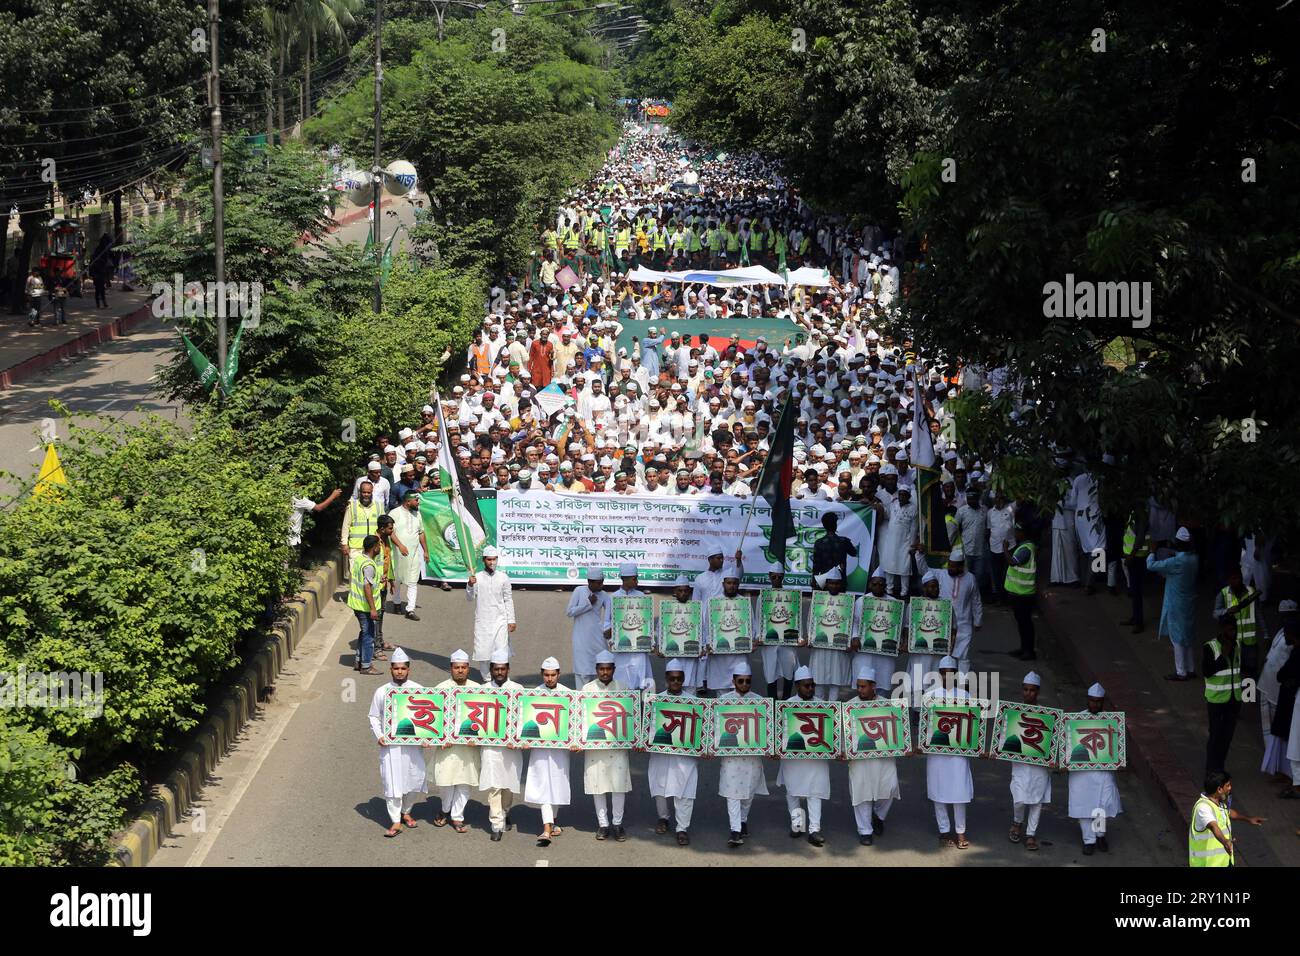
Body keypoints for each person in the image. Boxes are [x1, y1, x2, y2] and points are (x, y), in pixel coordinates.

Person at [368, 648, 427, 837]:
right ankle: (395, 821)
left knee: (414, 778)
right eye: (396, 668)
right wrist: (380, 736)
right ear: (391, 670)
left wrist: (427, 738)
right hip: (391, 747)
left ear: (408, 670)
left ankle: (406, 812)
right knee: (392, 783)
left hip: (413, 746)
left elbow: (428, 718)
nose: (399, 672)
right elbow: (373, 716)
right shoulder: (382, 692)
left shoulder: (419, 690)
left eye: (403, 668)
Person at [845, 666, 900, 846]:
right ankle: (865, 830)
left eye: (863, 686)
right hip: (859, 759)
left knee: (890, 787)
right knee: (861, 791)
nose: (860, 690)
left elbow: (897, 730)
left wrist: (904, 746)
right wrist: (842, 750)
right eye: (858, 686)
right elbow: (843, 733)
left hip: (883, 758)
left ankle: (878, 815)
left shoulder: (886, 704)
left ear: (873, 686)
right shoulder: (850, 706)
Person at [717, 660, 769, 847]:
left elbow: (767, 731)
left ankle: (743, 820)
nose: (745, 685)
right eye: (741, 681)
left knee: (748, 793)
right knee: (733, 792)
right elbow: (714, 729)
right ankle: (735, 831)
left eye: (748, 681)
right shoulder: (723, 702)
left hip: (752, 759)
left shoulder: (760, 702)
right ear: (733, 681)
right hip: (731, 759)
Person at [925, 656, 975, 848]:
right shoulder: (930, 695)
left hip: (958, 753)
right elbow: (925, 725)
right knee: (938, 791)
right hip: (937, 753)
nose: (947, 677)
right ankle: (944, 830)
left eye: (951, 674)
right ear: (939, 674)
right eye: (944, 674)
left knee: (959, 791)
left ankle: (961, 832)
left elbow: (972, 725)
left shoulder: (965, 696)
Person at [648, 660, 700, 846]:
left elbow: (702, 732)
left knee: (685, 791)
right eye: (672, 679)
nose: (676, 682)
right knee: (659, 787)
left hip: (685, 758)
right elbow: (646, 729)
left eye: (679, 679)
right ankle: (663, 818)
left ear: (683, 679)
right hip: (661, 756)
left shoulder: (694, 703)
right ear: (666, 679)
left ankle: (682, 828)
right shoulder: (655, 702)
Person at [581, 651, 632, 841]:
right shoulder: (586, 690)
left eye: (608, 669)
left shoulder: (624, 688)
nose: (604, 672)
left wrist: (634, 739)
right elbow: (580, 718)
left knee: (619, 786)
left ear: (613, 670)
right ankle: (603, 824)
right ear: (596, 670)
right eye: (601, 669)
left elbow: (631, 717)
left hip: (617, 747)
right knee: (598, 785)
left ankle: (617, 823)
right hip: (595, 748)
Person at [777, 665, 831, 846]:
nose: (810, 689)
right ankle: (797, 824)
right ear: (797, 686)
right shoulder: (786, 706)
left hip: (816, 760)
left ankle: (814, 830)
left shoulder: (824, 706)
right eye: (806, 686)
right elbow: (777, 733)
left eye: (812, 685)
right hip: (793, 760)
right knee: (792, 791)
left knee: (815, 791)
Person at [523, 657, 574, 846]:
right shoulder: (534, 695)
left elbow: (575, 724)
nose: (550, 678)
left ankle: (552, 821)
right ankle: (546, 828)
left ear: (559, 674)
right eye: (547, 675)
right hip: (540, 751)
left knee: (558, 784)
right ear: (542, 674)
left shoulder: (569, 695)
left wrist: (575, 742)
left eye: (553, 675)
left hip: (561, 751)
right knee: (544, 784)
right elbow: (525, 722)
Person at [430, 649, 481, 833]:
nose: (460, 670)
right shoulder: (440, 689)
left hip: (469, 748)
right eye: (457, 667)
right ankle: (445, 809)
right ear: (451, 668)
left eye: (464, 667)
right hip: (447, 747)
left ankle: (457, 817)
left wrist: (480, 739)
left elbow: (486, 721)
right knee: (445, 781)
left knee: (464, 783)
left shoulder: (478, 690)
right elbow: (432, 720)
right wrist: (440, 738)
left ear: (468, 669)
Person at [1069, 683, 1122, 856]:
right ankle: (1089, 840)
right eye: (1092, 701)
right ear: (1087, 700)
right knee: (1084, 804)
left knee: (1101, 803)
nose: (1095, 705)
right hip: (1081, 773)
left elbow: (1117, 749)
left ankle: (1100, 835)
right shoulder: (1076, 720)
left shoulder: (1111, 722)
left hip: (1103, 772)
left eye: (1098, 702)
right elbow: (1068, 745)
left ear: (1103, 702)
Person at [478, 656, 523, 842]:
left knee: (508, 784)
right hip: (490, 747)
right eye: (496, 669)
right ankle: (496, 824)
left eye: (502, 669)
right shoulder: (482, 691)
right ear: (491, 670)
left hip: (511, 747)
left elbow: (525, 717)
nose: (499, 672)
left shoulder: (518, 691)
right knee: (494, 785)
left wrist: (519, 738)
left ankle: (505, 811)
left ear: (508, 669)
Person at [1148, 527, 1201, 681]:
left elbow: (1151, 566)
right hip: (1189, 602)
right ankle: (1190, 668)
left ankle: (1181, 672)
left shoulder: (1177, 562)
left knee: (1177, 638)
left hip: (1176, 604)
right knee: (1188, 636)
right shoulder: (1194, 558)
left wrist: (1152, 552)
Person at [1007, 671, 1051, 852]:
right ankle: (1017, 823)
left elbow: (1053, 741)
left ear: (1038, 692)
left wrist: (1055, 758)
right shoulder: (1013, 714)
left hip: (1039, 766)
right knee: (1019, 798)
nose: (1028, 694)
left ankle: (1031, 834)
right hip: (1020, 765)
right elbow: (1004, 740)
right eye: (1025, 690)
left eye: (1032, 690)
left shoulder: (1047, 716)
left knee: (1036, 800)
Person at [1189, 771, 1264, 866]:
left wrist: (1248, 819)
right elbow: (1213, 826)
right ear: (1219, 789)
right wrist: (1225, 841)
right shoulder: (1203, 808)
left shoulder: (1218, 804)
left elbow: (1229, 813)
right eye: (1227, 785)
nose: (1230, 788)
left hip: (1223, 862)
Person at [604, 562, 656, 692]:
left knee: (640, 685)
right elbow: (606, 623)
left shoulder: (642, 597)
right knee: (621, 685)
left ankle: (639, 711)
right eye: (634, 579)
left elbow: (647, 623)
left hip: (639, 651)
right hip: (621, 652)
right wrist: (611, 633)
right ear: (625, 579)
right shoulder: (613, 598)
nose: (637, 581)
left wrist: (651, 642)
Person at [1260, 600, 1297, 779]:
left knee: (1281, 733)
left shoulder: (1294, 638)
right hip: (1266, 686)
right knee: (1269, 730)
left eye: (1288, 615)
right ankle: (1273, 765)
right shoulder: (1282, 632)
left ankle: (1284, 770)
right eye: (1282, 614)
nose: (1284, 618)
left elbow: (1288, 671)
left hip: (1281, 694)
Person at [702, 556, 750, 694]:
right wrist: (706, 644)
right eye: (729, 583)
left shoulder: (744, 603)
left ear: (738, 584)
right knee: (721, 693)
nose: (732, 586)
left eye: (734, 583)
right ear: (723, 584)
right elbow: (706, 626)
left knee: (740, 690)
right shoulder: (714, 603)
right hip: (719, 657)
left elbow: (751, 626)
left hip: (738, 655)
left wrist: (753, 641)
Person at [1204, 615, 1244, 774]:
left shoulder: (1238, 645)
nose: (1232, 633)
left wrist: (1247, 696)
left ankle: (1219, 767)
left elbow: (1241, 671)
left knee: (1227, 736)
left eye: (1234, 629)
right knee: (1215, 736)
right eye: (1229, 629)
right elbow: (1206, 671)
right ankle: (1211, 770)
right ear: (1221, 630)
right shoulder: (1210, 647)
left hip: (1234, 700)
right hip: (1216, 700)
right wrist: (1223, 656)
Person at [467, 545, 516, 673]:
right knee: (484, 652)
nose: (492, 562)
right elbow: (470, 598)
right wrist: (470, 585)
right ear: (484, 560)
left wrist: (511, 620)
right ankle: (487, 679)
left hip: (500, 620)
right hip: (483, 621)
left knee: (501, 652)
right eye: (489, 559)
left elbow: (508, 599)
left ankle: (502, 679)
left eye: (494, 559)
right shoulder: (477, 577)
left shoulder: (503, 577)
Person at [809, 567, 853, 701]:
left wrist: (850, 641)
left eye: (837, 583)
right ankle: (820, 713)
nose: (834, 585)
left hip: (838, 649)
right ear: (827, 584)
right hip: (820, 647)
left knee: (836, 682)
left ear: (841, 585)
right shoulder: (817, 600)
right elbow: (811, 620)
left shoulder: (848, 602)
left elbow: (851, 623)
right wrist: (811, 637)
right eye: (831, 583)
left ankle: (833, 715)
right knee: (819, 681)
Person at [937, 548, 982, 674]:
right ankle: (944, 685)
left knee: (963, 656)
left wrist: (978, 620)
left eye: (954, 566)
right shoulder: (941, 574)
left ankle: (963, 687)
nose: (950, 568)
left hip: (964, 624)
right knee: (945, 655)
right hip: (944, 624)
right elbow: (924, 570)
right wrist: (920, 555)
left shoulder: (970, 578)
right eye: (949, 565)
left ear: (962, 566)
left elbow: (976, 600)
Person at [758, 566, 800, 700]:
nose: (777, 579)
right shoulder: (763, 597)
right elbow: (758, 619)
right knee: (770, 674)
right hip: (769, 643)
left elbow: (796, 617)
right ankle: (773, 703)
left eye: (780, 577)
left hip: (787, 642)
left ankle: (786, 702)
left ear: (783, 577)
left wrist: (800, 637)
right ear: (769, 576)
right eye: (774, 577)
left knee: (789, 671)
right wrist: (757, 636)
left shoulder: (791, 595)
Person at [568, 566, 612, 687]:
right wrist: (588, 604)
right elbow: (570, 612)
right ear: (589, 582)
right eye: (598, 583)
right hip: (581, 638)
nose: (601, 585)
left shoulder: (604, 595)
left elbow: (609, 618)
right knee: (583, 672)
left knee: (600, 669)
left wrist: (609, 632)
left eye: (602, 582)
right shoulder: (579, 591)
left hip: (598, 638)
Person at [1214, 567, 1261, 677]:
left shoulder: (1251, 592)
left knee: (1251, 673)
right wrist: (1227, 611)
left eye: (1239, 577)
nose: (1237, 581)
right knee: (1235, 672)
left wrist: (1266, 635)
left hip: (1250, 642)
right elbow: (1215, 613)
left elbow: (1259, 614)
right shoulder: (1223, 593)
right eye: (1234, 578)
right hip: (1233, 641)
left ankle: (1249, 693)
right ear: (1228, 580)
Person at [347, 535, 383, 675]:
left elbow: (367, 580)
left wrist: (379, 580)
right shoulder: (368, 565)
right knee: (369, 635)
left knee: (364, 632)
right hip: (365, 607)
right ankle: (366, 666)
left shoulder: (360, 559)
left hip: (357, 605)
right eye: (379, 546)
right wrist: (373, 608)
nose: (380, 548)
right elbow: (366, 587)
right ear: (374, 548)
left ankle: (358, 660)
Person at [387, 490, 425, 620]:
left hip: (414, 554)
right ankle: (397, 603)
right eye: (416, 500)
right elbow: (390, 532)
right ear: (408, 501)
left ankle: (410, 610)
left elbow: (421, 532)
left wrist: (426, 551)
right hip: (398, 554)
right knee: (398, 579)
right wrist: (400, 545)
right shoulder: (394, 513)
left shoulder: (417, 514)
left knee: (413, 581)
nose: (418, 502)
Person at [1003, 523, 1038, 660]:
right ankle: (1024, 648)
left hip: (1024, 594)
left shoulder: (1026, 549)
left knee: (1025, 624)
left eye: (1017, 531)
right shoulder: (1025, 546)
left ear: (1023, 533)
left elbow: (1012, 562)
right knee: (1022, 623)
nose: (1015, 533)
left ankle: (1029, 651)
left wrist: (1005, 549)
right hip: (1019, 593)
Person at [341, 480, 382, 572]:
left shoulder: (379, 506)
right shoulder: (352, 506)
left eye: (368, 492)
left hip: (373, 548)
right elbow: (345, 526)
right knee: (356, 576)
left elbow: (382, 526)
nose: (366, 494)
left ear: (372, 492)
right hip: (356, 548)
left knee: (372, 577)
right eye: (364, 492)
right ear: (360, 492)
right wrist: (344, 543)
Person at [811, 511, 858, 584]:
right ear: (836, 524)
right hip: (840, 581)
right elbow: (854, 553)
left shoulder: (819, 543)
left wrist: (814, 581)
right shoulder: (844, 541)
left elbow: (816, 565)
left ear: (824, 525)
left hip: (825, 581)